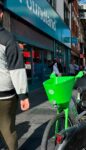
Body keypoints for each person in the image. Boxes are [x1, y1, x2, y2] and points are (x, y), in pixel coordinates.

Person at [0, 1, 30, 150]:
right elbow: (16, 69)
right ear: (1, 15)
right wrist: (23, 95)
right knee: (8, 130)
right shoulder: (8, 38)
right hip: (5, 95)